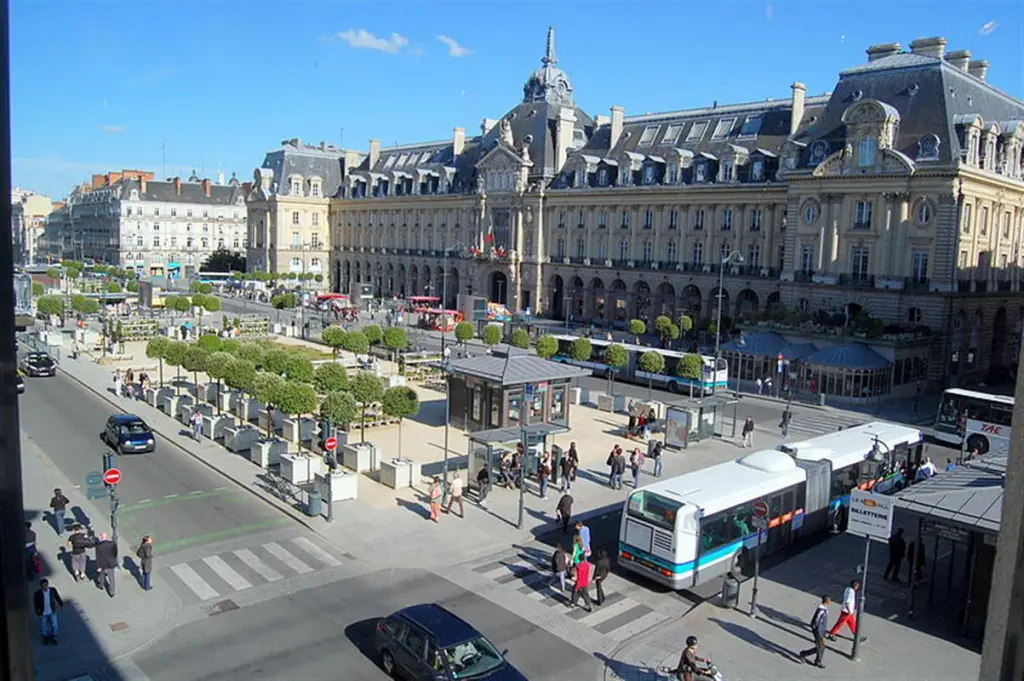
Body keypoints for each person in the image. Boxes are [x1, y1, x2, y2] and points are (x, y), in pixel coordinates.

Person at [799, 595, 831, 668]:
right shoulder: (821, 610)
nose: (830, 602)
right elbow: (816, 622)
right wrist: (819, 634)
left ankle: (815, 659)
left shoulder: (824, 609)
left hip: (821, 632)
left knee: (821, 647)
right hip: (818, 632)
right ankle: (807, 655)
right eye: (829, 600)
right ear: (827, 601)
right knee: (821, 646)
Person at [34, 579, 63, 645]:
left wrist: (61, 604)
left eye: (46, 585)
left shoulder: (52, 590)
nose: (45, 587)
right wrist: (38, 613)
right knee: (43, 626)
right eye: (43, 586)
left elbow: (57, 597)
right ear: (41, 586)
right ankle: (45, 637)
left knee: (54, 625)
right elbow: (36, 604)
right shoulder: (37, 594)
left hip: (52, 611)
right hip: (43, 612)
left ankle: (54, 636)